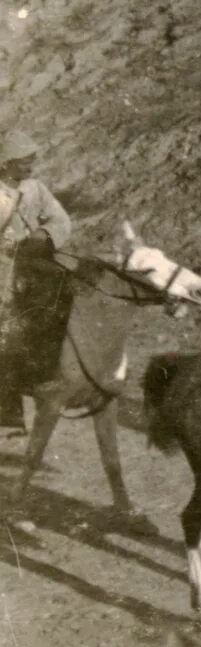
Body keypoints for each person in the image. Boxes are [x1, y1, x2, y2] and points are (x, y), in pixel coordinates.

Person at [0, 132, 73, 432]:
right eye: (25, 162)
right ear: (6, 164)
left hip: (33, 264)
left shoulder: (35, 189)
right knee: (7, 330)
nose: (31, 167)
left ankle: (49, 377)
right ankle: (8, 408)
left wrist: (44, 235)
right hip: (3, 270)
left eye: (32, 161)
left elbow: (61, 220)